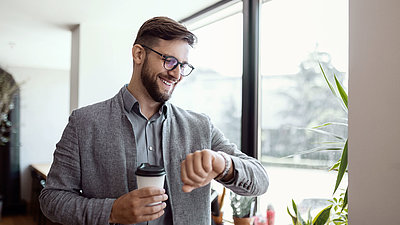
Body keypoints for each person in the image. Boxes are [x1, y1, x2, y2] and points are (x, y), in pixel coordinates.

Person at [39, 16, 269, 225]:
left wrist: (223, 164)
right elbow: (52, 198)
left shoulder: (200, 126)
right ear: (139, 54)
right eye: (169, 61)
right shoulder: (84, 123)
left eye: (183, 65)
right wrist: (111, 211)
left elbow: (260, 181)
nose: (177, 74)